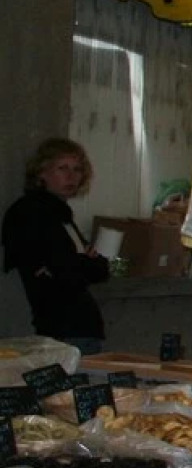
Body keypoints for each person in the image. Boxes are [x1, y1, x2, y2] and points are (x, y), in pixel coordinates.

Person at [2, 138, 109, 352]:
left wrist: (87, 263)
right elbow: (65, 269)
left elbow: (99, 268)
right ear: (42, 172)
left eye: (77, 169)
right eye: (63, 168)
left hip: (80, 326)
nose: (71, 176)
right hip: (61, 328)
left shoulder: (63, 217)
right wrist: (85, 262)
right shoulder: (32, 213)